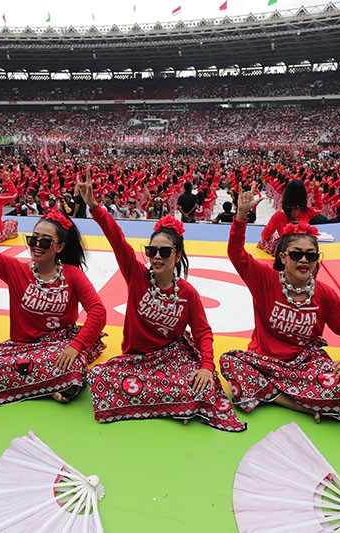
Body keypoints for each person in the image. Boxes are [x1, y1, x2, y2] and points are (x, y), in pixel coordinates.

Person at [77, 171, 245, 432]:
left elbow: (202, 333)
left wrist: (205, 366)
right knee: (99, 377)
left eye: (164, 251)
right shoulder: (135, 275)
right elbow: (117, 239)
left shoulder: (187, 293)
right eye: (152, 250)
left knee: (204, 381)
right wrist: (94, 207)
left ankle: (171, 400)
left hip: (173, 360)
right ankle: (179, 404)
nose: (156, 256)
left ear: (177, 256)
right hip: (135, 361)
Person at [220, 187, 340, 424]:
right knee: (229, 361)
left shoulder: (323, 294)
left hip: (305, 365)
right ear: (283, 257)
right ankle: (294, 403)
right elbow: (236, 254)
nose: (303, 260)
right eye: (296, 255)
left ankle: (267, 393)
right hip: (264, 362)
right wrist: (241, 217)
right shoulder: (265, 279)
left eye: (310, 255)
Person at [0, 176, 107, 404]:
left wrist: (76, 346)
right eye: (33, 239)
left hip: (60, 345)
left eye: (45, 241)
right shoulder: (14, 269)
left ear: (60, 247)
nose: (37, 245)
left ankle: (34, 381)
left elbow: (98, 311)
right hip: (22, 348)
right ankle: (50, 385)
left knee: (70, 361)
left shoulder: (72, 274)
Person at [258, 180, 318, 255]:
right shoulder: (308, 211)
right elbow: (319, 208)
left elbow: (265, 235)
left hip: (286, 250)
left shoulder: (279, 215)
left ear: (286, 195)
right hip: (304, 247)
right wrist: (316, 192)